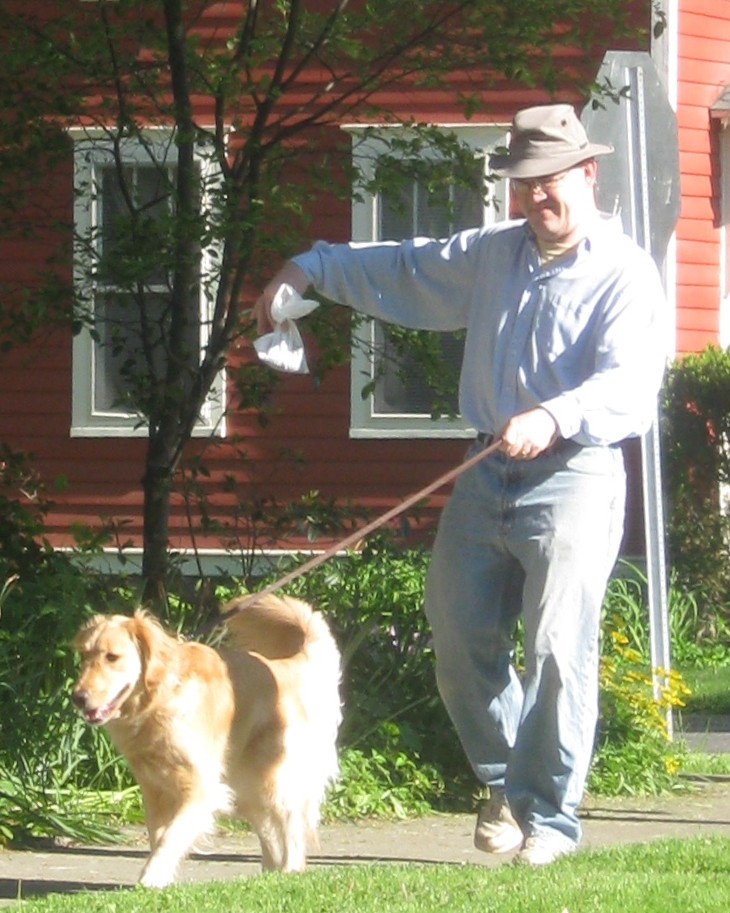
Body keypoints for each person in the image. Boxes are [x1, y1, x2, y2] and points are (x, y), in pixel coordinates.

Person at [253, 104, 668, 866]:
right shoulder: (492, 255)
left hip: (575, 473)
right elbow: (405, 266)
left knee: (555, 644)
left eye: (552, 181)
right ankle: (509, 780)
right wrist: (310, 267)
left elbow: (631, 387)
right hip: (487, 469)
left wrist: (554, 413)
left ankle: (552, 820)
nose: (539, 197)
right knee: (455, 629)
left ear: (587, 173)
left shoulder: (626, 273)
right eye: (525, 184)